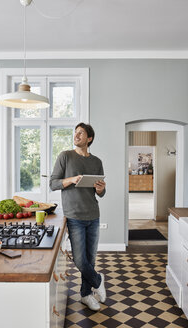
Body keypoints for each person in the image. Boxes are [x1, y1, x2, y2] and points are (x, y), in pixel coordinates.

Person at [49, 122, 106, 311]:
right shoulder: (65, 156)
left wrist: (101, 189)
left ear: (89, 138)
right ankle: (98, 280)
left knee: (90, 259)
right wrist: (71, 180)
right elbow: (53, 183)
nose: (76, 135)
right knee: (80, 260)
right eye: (75, 133)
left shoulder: (96, 162)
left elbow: (100, 193)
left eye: (81, 133)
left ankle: (85, 295)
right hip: (74, 216)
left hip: (93, 215)